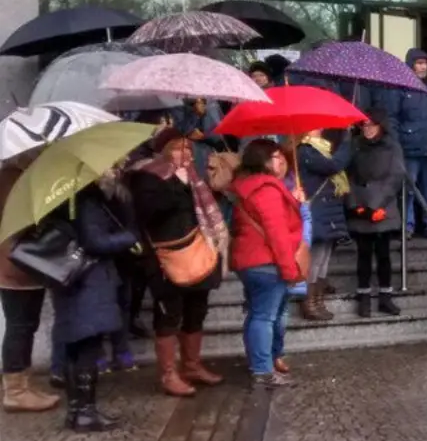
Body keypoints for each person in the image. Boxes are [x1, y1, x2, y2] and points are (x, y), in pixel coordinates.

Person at [128, 129, 228, 398]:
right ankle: (169, 374)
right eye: (177, 149)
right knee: (169, 314)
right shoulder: (148, 176)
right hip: (166, 257)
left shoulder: (194, 177)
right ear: (164, 150)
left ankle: (192, 365)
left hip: (197, 252)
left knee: (197, 310)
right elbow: (148, 213)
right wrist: (176, 185)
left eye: (187, 149)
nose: (185, 154)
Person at [53, 181, 140, 432]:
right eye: (109, 169)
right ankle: (86, 412)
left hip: (69, 279)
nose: (113, 173)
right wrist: (130, 235)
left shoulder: (62, 198)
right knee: (88, 346)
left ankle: (76, 411)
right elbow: (95, 242)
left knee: (75, 346)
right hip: (90, 280)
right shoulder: (87, 202)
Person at [229, 140, 304, 389]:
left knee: (258, 315)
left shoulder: (248, 184)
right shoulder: (266, 189)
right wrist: (289, 268)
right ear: (261, 160)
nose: (280, 160)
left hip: (250, 260)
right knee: (265, 316)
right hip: (265, 261)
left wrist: (295, 203)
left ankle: (260, 364)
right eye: (274, 156)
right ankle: (263, 370)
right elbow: (277, 233)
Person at [0, 154, 60, 413]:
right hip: (16, 264)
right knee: (19, 326)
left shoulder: (22, 176)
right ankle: (14, 390)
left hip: (27, 264)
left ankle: (24, 383)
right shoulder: (10, 179)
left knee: (27, 325)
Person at [377, 48, 427, 236]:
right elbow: (392, 119)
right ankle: (407, 226)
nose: (423, 66)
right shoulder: (399, 87)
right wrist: (396, 142)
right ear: (410, 65)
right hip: (408, 147)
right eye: (419, 63)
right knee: (408, 189)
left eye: (425, 63)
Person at [347, 109, 407, 318]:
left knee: (383, 254)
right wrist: (355, 204)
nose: (368, 129)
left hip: (384, 206)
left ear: (380, 126)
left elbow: (396, 175)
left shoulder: (392, 146)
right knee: (363, 254)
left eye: (372, 125)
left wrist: (378, 203)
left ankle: (385, 296)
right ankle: (363, 295)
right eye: (364, 125)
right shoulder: (353, 146)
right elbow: (347, 176)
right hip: (360, 204)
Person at [296, 128, 354, 321]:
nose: (319, 129)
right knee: (315, 258)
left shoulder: (323, 149)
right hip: (318, 211)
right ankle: (309, 301)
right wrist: (346, 142)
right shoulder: (305, 151)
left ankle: (318, 299)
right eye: (314, 126)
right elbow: (334, 166)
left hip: (329, 211)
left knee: (324, 258)